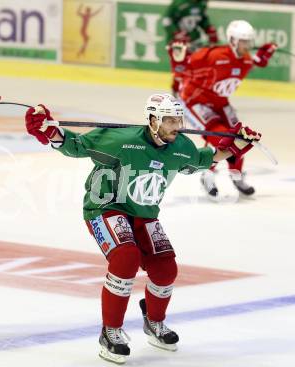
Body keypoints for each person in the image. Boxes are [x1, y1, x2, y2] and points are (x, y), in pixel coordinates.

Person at [24, 94, 261, 364]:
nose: (176, 125)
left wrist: (237, 146)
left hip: (144, 215)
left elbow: (204, 159)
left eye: (178, 119)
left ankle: (154, 321)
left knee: (166, 269)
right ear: (152, 120)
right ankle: (110, 331)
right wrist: (48, 130)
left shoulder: (180, 146)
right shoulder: (120, 140)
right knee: (126, 258)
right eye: (168, 120)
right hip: (107, 208)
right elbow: (74, 145)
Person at [179, 19, 276, 198]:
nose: (247, 46)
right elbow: (185, 64)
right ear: (232, 40)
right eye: (243, 41)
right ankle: (207, 174)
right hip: (196, 102)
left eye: (249, 42)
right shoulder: (214, 56)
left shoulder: (245, 59)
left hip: (220, 102)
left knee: (240, 136)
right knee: (221, 139)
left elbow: (257, 62)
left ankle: (236, 175)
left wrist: (265, 55)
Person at [163, 0, 218, 96]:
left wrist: (208, 29)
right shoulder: (178, 3)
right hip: (177, 43)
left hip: (194, 41)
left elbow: (202, 19)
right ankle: (176, 92)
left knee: (198, 67)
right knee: (180, 68)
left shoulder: (202, 3)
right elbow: (167, 21)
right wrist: (176, 33)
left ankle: (195, 91)